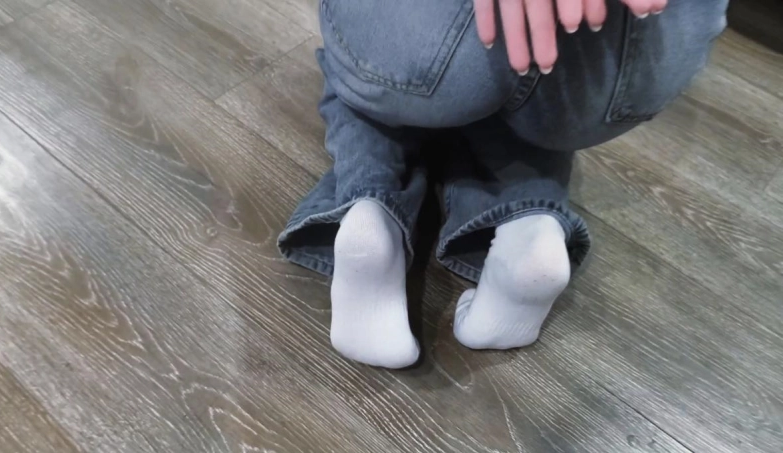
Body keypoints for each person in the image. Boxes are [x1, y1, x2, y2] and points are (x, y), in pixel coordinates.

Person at [278, 0, 729, 368]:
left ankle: (370, 214)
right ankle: (529, 226)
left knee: (374, 84)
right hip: (628, 66)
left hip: (428, 49)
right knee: (534, 84)